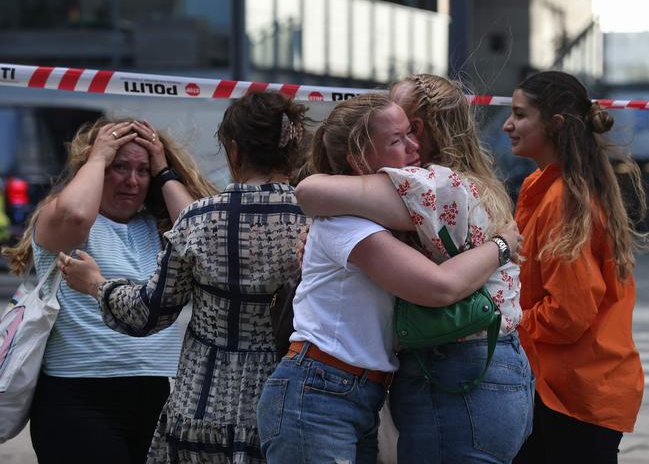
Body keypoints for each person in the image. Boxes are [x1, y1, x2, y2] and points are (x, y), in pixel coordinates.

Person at [256, 92, 522, 464]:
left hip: (352, 391)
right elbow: (438, 286)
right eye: (397, 140)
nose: (414, 147)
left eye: (412, 134)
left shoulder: (379, 215)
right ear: (357, 158)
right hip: (319, 390)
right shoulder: (345, 223)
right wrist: (502, 245)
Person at [59, 91, 311, 464]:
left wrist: (96, 283)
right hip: (290, 401)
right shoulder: (318, 218)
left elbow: (148, 313)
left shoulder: (201, 219)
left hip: (202, 407)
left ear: (234, 151)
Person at [1, 118, 216, 463]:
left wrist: (163, 170)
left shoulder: (157, 227)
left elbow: (203, 238)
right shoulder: (64, 219)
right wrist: (98, 157)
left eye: (142, 170)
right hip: (78, 400)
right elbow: (73, 214)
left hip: (155, 397)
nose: (131, 181)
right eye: (119, 167)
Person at [502, 71, 646, 464]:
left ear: (556, 124)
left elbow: (568, 313)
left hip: (575, 394)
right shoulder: (550, 185)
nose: (507, 124)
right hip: (569, 386)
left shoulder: (564, 198)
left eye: (520, 114)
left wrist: (505, 322)